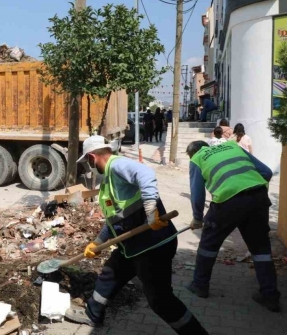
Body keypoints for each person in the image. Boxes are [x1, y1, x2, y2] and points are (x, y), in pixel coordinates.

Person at [64, 136, 208, 334]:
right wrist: (97, 242)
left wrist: (151, 211)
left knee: (160, 300)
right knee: (110, 274)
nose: (89, 166)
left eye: (87, 162)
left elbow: (145, 173)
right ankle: (93, 314)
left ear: (92, 157)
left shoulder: (117, 165)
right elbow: (116, 219)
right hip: (131, 247)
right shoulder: (109, 181)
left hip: (152, 247)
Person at [185, 140, 280, 312]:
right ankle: (270, 296)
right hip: (258, 198)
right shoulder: (233, 146)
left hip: (228, 202)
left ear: (192, 153)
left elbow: (197, 192)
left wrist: (197, 218)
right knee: (260, 249)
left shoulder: (197, 158)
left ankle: (199, 285)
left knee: (208, 244)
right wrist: (250, 187)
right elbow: (266, 171)